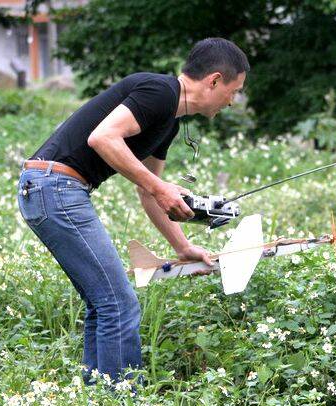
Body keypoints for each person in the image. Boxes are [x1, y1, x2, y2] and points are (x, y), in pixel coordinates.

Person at [16, 38, 249, 386]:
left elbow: (147, 189)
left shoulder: (169, 121)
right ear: (214, 80)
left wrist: (183, 248)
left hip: (51, 189)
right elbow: (103, 138)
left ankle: (97, 396)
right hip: (55, 187)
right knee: (119, 304)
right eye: (234, 90)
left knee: (104, 304)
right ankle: (122, 398)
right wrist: (161, 187)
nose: (233, 101)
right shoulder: (160, 91)